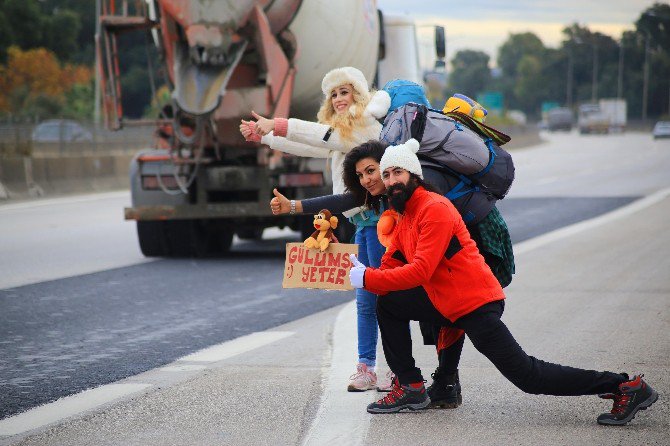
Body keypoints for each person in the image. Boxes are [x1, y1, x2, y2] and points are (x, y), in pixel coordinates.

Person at [347, 138, 658, 425]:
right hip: (447, 301)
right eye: (386, 176)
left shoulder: (434, 208)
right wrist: (361, 273)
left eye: (396, 172)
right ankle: (412, 386)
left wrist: (368, 277)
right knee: (389, 302)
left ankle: (624, 385)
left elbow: (421, 271)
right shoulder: (405, 217)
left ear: (413, 174)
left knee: (528, 376)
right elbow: (392, 266)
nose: (390, 181)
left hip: (475, 302)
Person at [240, 67, 391, 391]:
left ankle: (393, 369)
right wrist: (264, 136)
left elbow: (320, 136)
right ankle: (367, 368)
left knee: (384, 298)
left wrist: (277, 124)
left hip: (383, 225)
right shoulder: (341, 132)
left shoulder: (364, 124)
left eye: (344, 92)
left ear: (359, 95)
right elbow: (311, 145)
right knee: (366, 300)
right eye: (333, 94)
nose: (338, 99)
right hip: (363, 226)